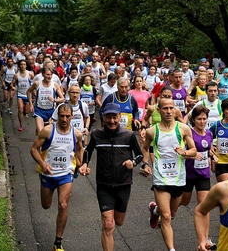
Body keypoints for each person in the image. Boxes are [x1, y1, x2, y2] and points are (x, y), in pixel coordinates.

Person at [80, 103, 147, 251]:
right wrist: (84, 163)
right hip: (104, 184)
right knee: (108, 224)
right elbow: (88, 150)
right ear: (103, 117)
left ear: (120, 117)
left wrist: (133, 162)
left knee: (119, 222)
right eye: (108, 117)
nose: (112, 121)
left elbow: (140, 155)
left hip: (123, 184)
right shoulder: (97, 135)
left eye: (114, 117)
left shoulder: (128, 136)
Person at [143, 97, 196, 251]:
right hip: (160, 177)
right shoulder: (152, 131)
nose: (168, 111)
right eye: (165, 108)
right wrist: (145, 164)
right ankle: (171, 249)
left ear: (175, 110)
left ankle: (155, 210)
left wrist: (184, 152)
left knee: (172, 213)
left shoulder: (183, 129)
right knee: (166, 217)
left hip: (178, 178)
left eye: (171, 108)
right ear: (159, 110)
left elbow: (194, 150)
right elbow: (146, 148)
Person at [30, 103, 84, 251]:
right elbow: (34, 149)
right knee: (46, 205)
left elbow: (80, 148)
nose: (65, 119)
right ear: (57, 116)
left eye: (67, 116)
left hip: (65, 175)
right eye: (62, 116)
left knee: (63, 205)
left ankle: (58, 242)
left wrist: (80, 165)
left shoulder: (76, 134)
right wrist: (43, 164)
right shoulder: (48, 131)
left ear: (72, 116)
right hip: (48, 174)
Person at [179, 105, 217, 249]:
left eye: (204, 119)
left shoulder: (208, 133)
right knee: (184, 201)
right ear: (193, 120)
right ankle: (158, 209)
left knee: (204, 207)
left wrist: (213, 156)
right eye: (199, 119)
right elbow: (181, 151)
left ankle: (205, 240)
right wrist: (192, 154)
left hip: (203, 174)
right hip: (189, 174)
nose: (202, 121)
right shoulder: (188, 134)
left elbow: (209, 149)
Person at [27, 66, 65, 136]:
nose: (49, 76)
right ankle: (40, 144)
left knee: (48, 133)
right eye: (47, 74)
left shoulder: (55, 85)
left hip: (51, 112)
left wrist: (54, 100)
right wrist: (31, 104)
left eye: (51, 75)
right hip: (39, 111)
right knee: (41, 132)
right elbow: (29, 91)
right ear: (43, 75)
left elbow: (62, 98)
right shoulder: (37, 84)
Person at [10, 59, 34, 131]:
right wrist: (13, 87)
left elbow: (34, 82)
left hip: (28, 94)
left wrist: (33, 89)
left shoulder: (30, 74)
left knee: (26, 112)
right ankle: (21, 125)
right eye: (21, 64)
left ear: (26, 66)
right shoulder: (16, 75)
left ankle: (25, 110)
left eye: (24, 64)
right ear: (19, 66)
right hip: (20, 94)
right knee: (20, 109)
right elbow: (12, 84)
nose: (23, 66)